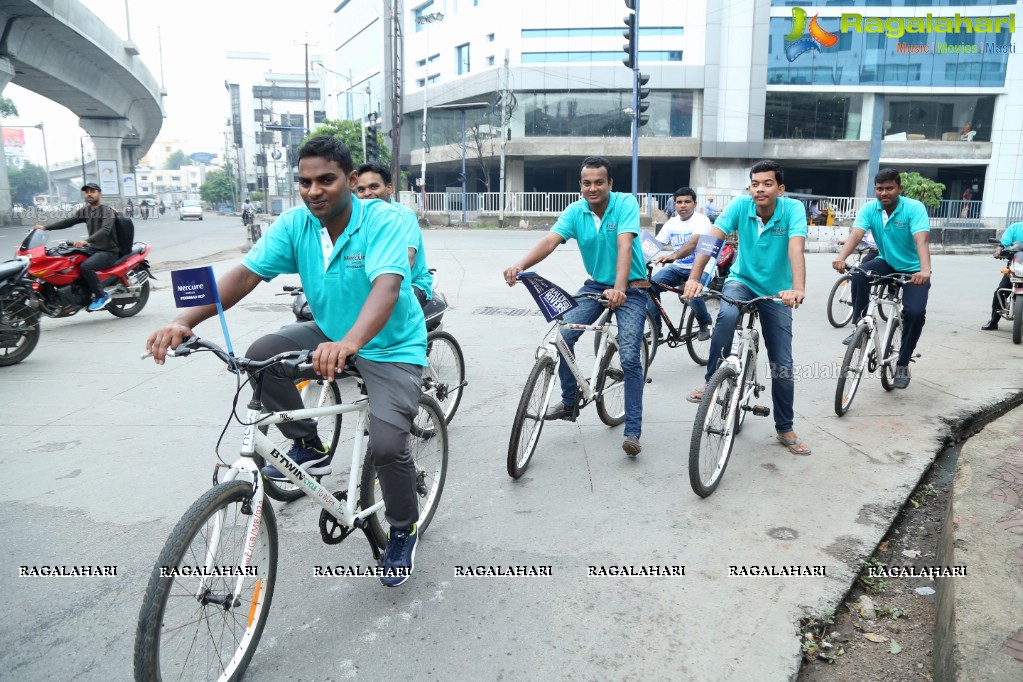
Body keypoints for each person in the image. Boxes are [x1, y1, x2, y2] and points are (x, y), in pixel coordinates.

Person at [145, 136, 427, 586]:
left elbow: (388, 287)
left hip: (390, 345)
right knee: (261, 356)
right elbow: (245, 275)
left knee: (389, 446)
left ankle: (402, 527)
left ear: (351, 181)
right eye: (305, 182)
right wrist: (184, 320)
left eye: (326, 180)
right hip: (333, 333)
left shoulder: (384, 219)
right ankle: (310, 446)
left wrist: (351, 342)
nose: (314, 190)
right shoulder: (296, 225)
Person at [502, 156, 648, 457]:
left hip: (631, 288)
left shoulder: (624, 204)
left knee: (631, 356)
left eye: (599, 182)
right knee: (563, 336)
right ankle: (570, 403)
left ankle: (632, 429)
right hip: (596, 285)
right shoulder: (576, 211)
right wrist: (519, 265)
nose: (592, 188)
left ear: (610, 184)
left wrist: (620, 288)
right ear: (580, 185)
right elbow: (549, 241)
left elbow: (625, 244)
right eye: (587, 183)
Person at [683, 160, 810, 456]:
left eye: (767, 184)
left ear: (780, 188)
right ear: (749, 187)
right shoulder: (740, 206)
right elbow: (710, 242)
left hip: (778, 291)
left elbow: (796, 249)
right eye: (755, 184)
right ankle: (711, 379)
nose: (760, 189)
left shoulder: (792, 210)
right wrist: (694, 278)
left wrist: (798, 288)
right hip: (742, 281)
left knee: (783, 363)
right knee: (726, 315)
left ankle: (784, 428)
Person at [833, 168, 931, 389]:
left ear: (899, 188)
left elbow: (921, 240)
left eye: (889, 188)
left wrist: (925, 270)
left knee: (914, 313)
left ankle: (903, 363)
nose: (884, 193)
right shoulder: (870, 208)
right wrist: (841, 258)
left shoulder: (914, 209)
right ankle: (860, 327)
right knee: (858, 273)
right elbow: (856, 234)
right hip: (886, 262)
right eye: (879, 189)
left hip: (915, 270)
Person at [354, 162, 434, 307]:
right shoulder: (356, 219)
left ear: (389, 188)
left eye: (373, 187)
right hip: (371, 284)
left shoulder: (404, 215)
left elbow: (408, 259)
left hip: (412, 282)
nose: (366, 193)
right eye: (361, 189)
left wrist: (382, 287)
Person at [34, 182, 119, 311]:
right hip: (94, 249)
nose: (89, 194)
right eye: (87, 192)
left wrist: (86, 241)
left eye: (92, 191)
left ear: (100, 194)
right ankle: (85, 295)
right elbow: (69, 221)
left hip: (108, 251)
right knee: (72, 262)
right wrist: (46, 228)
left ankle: (102, 296)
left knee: (86, 266)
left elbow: (105, 230)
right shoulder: (86, 210)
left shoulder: (107, 211)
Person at [648, 187, 714, 341]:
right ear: (675, 204)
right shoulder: (672, 222)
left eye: (687, 202)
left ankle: (705, 322)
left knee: (691, 293)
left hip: (702, 267)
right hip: (679, 267)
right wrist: (634, 260)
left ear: (695, 204)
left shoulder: (702, 220)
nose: (683, 205)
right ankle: (656, 330)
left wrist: (674, 255)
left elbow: (693, 243)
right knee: (649, 287)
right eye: (679, 202)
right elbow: (656, 243)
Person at [981, 220, 1023, 330]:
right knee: (1001, 291)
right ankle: (993, 321)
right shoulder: (1015, 228)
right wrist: (998, 251)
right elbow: (1002, 244)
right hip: (1017, 266)